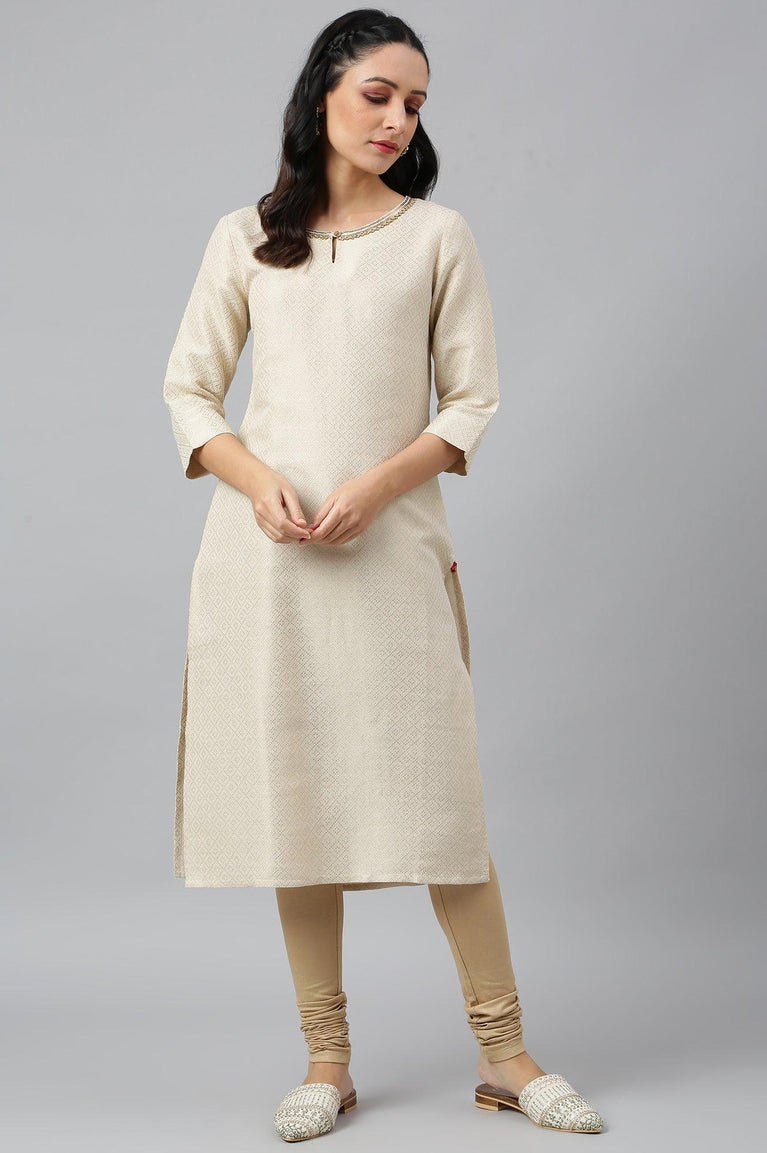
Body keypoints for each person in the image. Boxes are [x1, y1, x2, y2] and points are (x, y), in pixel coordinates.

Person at [163, 8, 605, 1142]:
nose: (398, 119)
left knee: (442, 808)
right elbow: (188, 392)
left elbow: (470, 399)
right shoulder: (243, 238)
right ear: (322, 92)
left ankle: (505, 1053)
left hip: (393, 555)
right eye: (378, 94)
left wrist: (375, 485)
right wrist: (255, 482)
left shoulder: (436, 236)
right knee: (297, 803)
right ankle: (327, 1057)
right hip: (269, 564)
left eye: (414, 104)